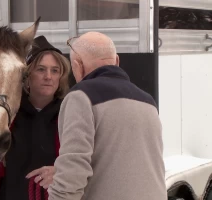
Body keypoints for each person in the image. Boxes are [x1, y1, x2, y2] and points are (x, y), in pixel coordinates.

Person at [48, 32, 167, 200]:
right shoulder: (148, 102)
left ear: (78, 65)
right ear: (117, 61)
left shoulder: (81, 97)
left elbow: (73, 170)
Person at [0, 35, 71, 200]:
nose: (48, 76)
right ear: (26, 75)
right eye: (41, 69)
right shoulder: (5, 113)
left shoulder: (70, 114)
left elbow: (89, 162)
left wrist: (62, 174)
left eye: (55, 70)